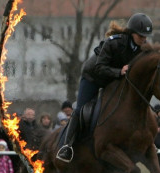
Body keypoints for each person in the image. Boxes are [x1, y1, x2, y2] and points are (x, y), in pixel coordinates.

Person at [56, 12, 153, 163]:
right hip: (93, 77)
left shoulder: (142, 49)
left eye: (145, 36)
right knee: (81, 109)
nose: (144, 39)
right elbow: (99, 67)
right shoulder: (114, 43)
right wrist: (119, 71)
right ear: (132, 33)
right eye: (141, 36)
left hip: (114, 80)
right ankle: (66, 147)